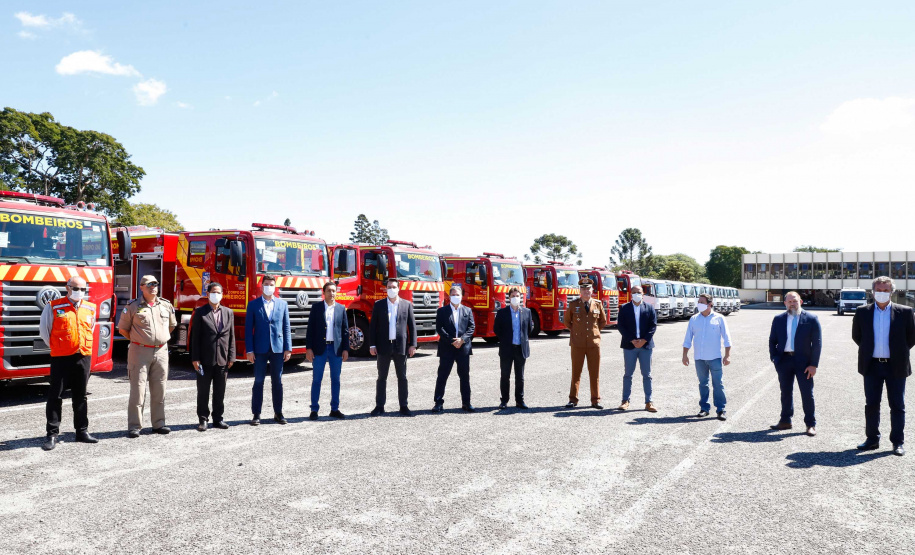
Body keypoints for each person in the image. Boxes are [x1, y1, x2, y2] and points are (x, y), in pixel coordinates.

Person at [852, 276, 915, 456]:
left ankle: (897, 442)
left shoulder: (905, 312)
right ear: (873, 291)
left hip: (896, 366)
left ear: (891, 292)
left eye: (885, 290)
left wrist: (897, 352)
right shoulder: (862, 311)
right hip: (871, 365)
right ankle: (872, 439)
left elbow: (911, 338)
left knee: (897, 405)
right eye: (878, 290)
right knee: (871, 404)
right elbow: (858, 337)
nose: (882, 293)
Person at [39, 276, 99, 451]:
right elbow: (45, 331)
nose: (79, 291)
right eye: (76, 288)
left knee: (81, 395)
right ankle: (52, 434)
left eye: (83, 289)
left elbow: (91, 329)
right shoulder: (54, 306)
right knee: (55, 396)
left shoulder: (90, 308)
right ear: (68, 287)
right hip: (61, 357)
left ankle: (82, 431)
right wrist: (60, 347)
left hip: (83, 356)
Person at [118, 274, 177, 438]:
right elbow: (123, 329)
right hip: (139, 351)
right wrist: (140, 340)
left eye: (155, 284)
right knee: (138, 390)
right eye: (149, 284)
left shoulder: (165, 305)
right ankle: (135, 426)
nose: (153, 286)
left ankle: (159, 424)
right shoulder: (133, 306)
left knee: (160, 389)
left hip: (161, 351)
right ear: (141, 287)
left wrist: (157, 340)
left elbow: (171, 326)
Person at [768, 291, 820, 436]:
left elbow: (817, 344)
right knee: (785, 392)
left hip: (804, 363)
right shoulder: (778, 319)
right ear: (785, 303)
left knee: (807, 393)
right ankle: (785, 421)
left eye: (795, 301)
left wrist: (813, 364)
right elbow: (772, 340)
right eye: (789, 301)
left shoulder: (811, 318)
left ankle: (810, 424)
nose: (792, 303)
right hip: (784, 361)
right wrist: (774, 358)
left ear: (801, 302)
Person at [245, 276, 292, 426]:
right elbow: (248, 330)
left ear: (275, 286)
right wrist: (250, 350)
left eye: (271, 284)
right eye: (266, 284)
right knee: (259, 381)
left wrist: (288, 348)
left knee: (277, 381)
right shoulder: (253, 305)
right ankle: (256, 414)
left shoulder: (282, 304)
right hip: (259, 349)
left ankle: (278, 412)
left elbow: (286, 327)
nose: (269, 287)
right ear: (261, 286)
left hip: (277, 348)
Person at [190, 282, 236, 432]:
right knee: (203, 391)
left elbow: (231, 337)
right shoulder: (200, 312)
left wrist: (232, 356)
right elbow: (194, 338)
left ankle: (218, 418)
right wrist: (195, 358)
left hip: (222, 359)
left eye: (219, 292)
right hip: (204, 359)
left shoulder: (228, 312)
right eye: (214, 292)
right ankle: (203, 419)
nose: (216, 295)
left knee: (220, 391)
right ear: (208, 294)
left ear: (222, 295)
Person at [369, 278, 417, 416]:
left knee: (402, 377)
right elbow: (373, 327)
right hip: (383, 346)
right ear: (386, 288)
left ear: (398, 288)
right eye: (389, 287)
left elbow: (412, 326)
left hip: (400, 346)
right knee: (381, 377)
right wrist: (372, 344)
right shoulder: (379, 305)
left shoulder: (406, 305)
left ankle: (404, 406)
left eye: (394, 286)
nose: (391, 289)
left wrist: (413, 344)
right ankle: (379, 406)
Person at [682, 292, 732, 420]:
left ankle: (721, 409)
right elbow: (688, 338)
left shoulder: (719, 318)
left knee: (718, 384)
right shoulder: (694, 319)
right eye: (698, 302)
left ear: (710, 304)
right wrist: (685, 355)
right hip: (699, 358)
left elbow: (727, 338)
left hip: (715, 357)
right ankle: (704, 408)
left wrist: (727, 356)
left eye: (702, 302)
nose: (699, 304)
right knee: (703, 384)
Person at [305, 282, 349, 420]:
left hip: (336, 350)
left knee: (335, 380)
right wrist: (309, 348)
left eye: (334, 291)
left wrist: (346, 349)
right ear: (324, 292)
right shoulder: (316, 308)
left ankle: (334, 409)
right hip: (319, 349)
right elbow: (310, 329)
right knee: (317, 379)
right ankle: (314, 409)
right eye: (329, 291)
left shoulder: (341, 309)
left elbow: (345, 331)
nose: (332, 293)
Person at [563, 278, 607, 409]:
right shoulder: (573, 304)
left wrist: (594, 333)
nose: (586, 291)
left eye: (588, 289)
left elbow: (602, 321)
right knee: (576, 372)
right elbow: (567, 322)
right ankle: (573, 399)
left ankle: (595, 400)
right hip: (577, 343)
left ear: (592, 291)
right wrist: (577, 331)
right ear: (580, 291)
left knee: (594, 373)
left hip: (594, 344)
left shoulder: (598, 304)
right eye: (583, 289)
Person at [433, 285, 476, 412]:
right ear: (449, 296)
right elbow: (440, 328)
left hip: (463, 348)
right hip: (447, 347)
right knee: (442, 375)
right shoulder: (442, 311)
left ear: (462, 296)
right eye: (453, 295)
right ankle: (438, 403)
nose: (456, 297)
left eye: (458, 295)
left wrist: (462, 340)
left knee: (464, 376)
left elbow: (471, 328)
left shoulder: (467, 311)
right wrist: (452, 341)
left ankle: (466, 403)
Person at [615, 285, 658, 412]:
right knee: (628, 374)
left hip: (645, 346)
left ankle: (649, 402)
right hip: (630, 346)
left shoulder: (649, 308)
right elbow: (621, 326)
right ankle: (625, 401)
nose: (636, 294)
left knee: (647, 375)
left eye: (638, 292)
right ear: (630, 294)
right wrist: (632, 340)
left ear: (643, 293)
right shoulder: (624, 308)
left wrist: (644, 340)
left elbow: (653, 326)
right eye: (633, 292)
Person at [493, 286, 533, 409]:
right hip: (507, 348)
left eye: (517, 296)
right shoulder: (502, 312)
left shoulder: (527, 312)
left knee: (520, 377)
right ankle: (504, 400)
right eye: (513, 296)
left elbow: (529, 328)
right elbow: (496, 329)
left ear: (520, 298)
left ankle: (519, 400)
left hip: (520, 348)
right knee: (505, 376)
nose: (515, 298)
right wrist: (505, 339)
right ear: (509, 298)